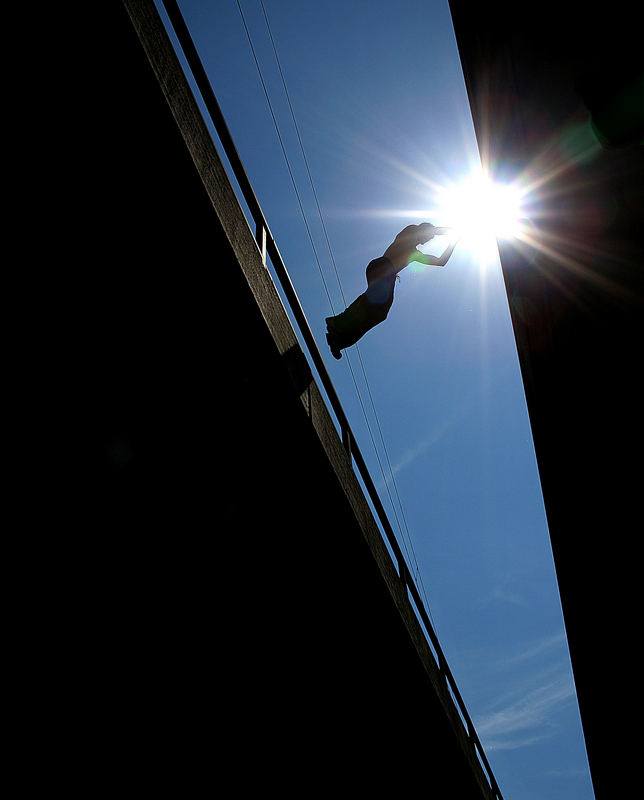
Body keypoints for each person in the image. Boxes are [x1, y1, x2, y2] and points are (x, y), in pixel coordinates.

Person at [325, 223, 458, 359]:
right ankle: (337, 323)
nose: (426, 241)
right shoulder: (408, 234)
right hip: (382, 267)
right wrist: (450, 230)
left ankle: (338, 340)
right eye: (428, 237)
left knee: (378, 313)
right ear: (424, 230)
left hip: (386, 275)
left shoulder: (415, 254)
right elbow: (425, 230)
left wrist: (453, 243)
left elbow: (440, 261)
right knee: (373, 305)